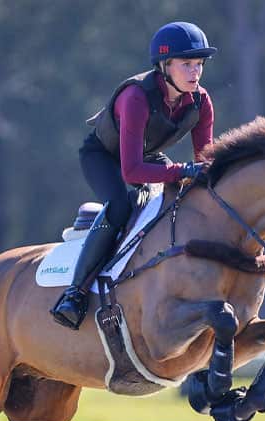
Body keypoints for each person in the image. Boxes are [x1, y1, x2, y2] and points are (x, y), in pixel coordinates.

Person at [51, 21, 217, 329]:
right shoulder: (136, 97)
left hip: (148, 156)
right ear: (165, 66)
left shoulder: (200, 102)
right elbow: (131, 170)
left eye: (199, 64)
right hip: (105, 157)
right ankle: (75, 293)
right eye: (187, 64)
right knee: (120, 207)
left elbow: (204, 161)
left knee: (182, 199)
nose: (195, 72)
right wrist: (182, 171)